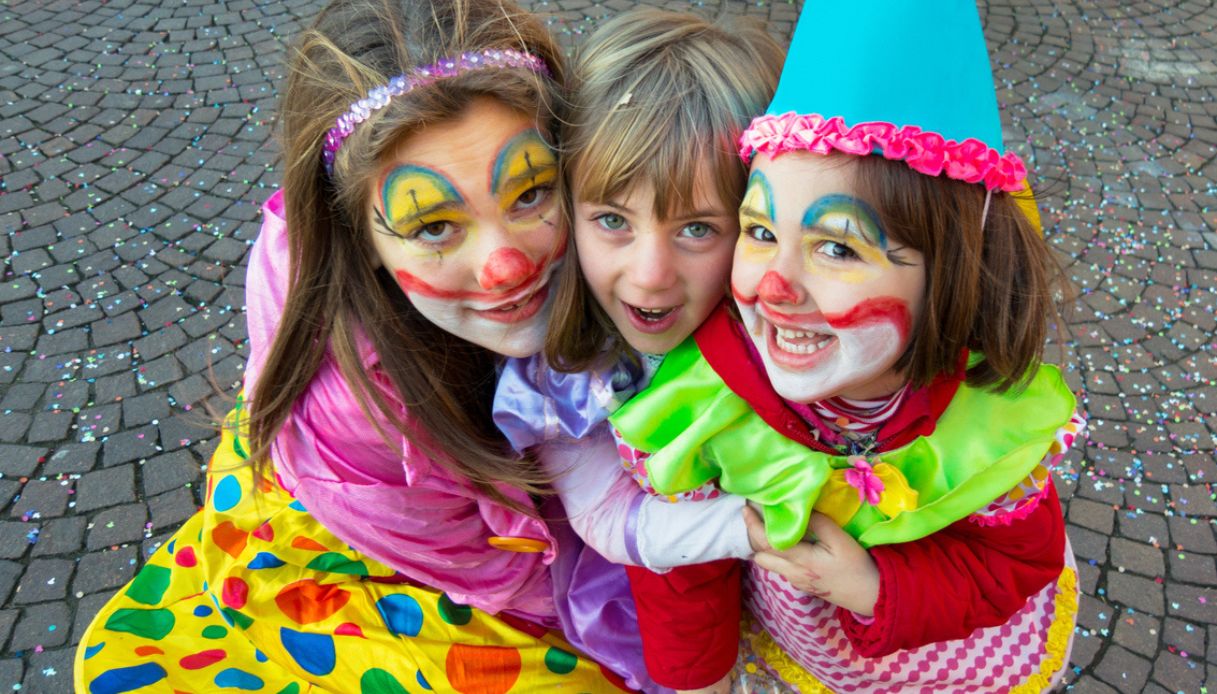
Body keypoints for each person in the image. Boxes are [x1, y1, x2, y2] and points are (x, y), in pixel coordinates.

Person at [74, 0, 636, 691]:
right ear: (358, 239)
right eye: (434, 227)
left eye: (528, 194)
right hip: (393, 542)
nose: (506, 266)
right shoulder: (361, 407)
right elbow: (504, 578)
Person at [605, 0, 1084, 691]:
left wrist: (874, 586)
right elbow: (684, 572)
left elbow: (1011, 565)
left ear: (952, 274)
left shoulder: (987, 425)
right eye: (761, 233)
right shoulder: (702, 401)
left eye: (835, 246)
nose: (774, 286)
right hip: (803, 661)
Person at [491, 8, 783, 693]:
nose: (650, 273)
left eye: (697, 229)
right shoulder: (563, 372)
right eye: (612, 220)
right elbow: (610, 520)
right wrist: (756, 529)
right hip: (672, 586)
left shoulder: (788, 320)